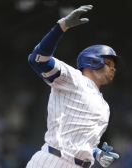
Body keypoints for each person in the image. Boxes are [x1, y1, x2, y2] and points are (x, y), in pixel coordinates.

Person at [25, 5, 125, 168]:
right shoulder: (73, 78)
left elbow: (80, 141)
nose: (113, 68)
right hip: (54, 161)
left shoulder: (104, 106)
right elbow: (37, 59)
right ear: (92, 61)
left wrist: (97, 154)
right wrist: (61, 26)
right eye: (108, 63)